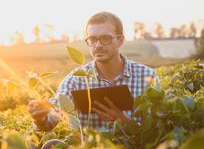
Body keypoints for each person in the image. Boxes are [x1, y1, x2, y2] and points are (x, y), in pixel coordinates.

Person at [28, 11, 160, 133]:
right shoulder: (75, 80)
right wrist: (41, 117)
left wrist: (123, 121)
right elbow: (52, 117)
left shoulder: (147, 76)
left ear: (120, 40)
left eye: (105, 38)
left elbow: (157, 129)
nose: (98, 45)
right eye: (92, 39)